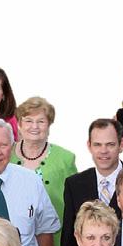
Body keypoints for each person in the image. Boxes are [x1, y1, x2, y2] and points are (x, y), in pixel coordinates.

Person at [11, 97, 76, 229]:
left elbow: (75, 202)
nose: (34, 126)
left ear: (49, 125)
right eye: (28, 121)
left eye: (41, 121)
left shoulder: (65, 159)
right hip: (12, 235)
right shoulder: (6, 155)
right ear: (19, 124)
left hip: (55, 235)